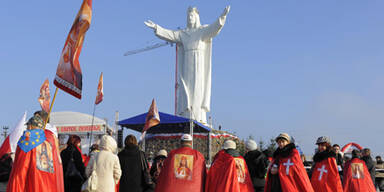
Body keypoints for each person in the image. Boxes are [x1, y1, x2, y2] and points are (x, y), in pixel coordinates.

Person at [144, 6, 230, 124]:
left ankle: (198, 116)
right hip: (186, 64)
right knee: (186, 89)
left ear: (196, 17)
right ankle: (187, 115)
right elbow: (170, 34)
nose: (190, 18)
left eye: (192, 16)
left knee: (197, 89)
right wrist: (156, 27)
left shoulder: (202, 31)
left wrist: (222, 17)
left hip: (199, 63)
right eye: (188, 16)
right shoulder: (183, 33)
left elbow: (214, 28)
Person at [7, 113, 64, 192]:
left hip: (30, 185)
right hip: (48, 186)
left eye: (27, 126)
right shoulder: (49, 141)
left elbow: (21, 169)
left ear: (30, 126)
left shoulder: (27, 140)